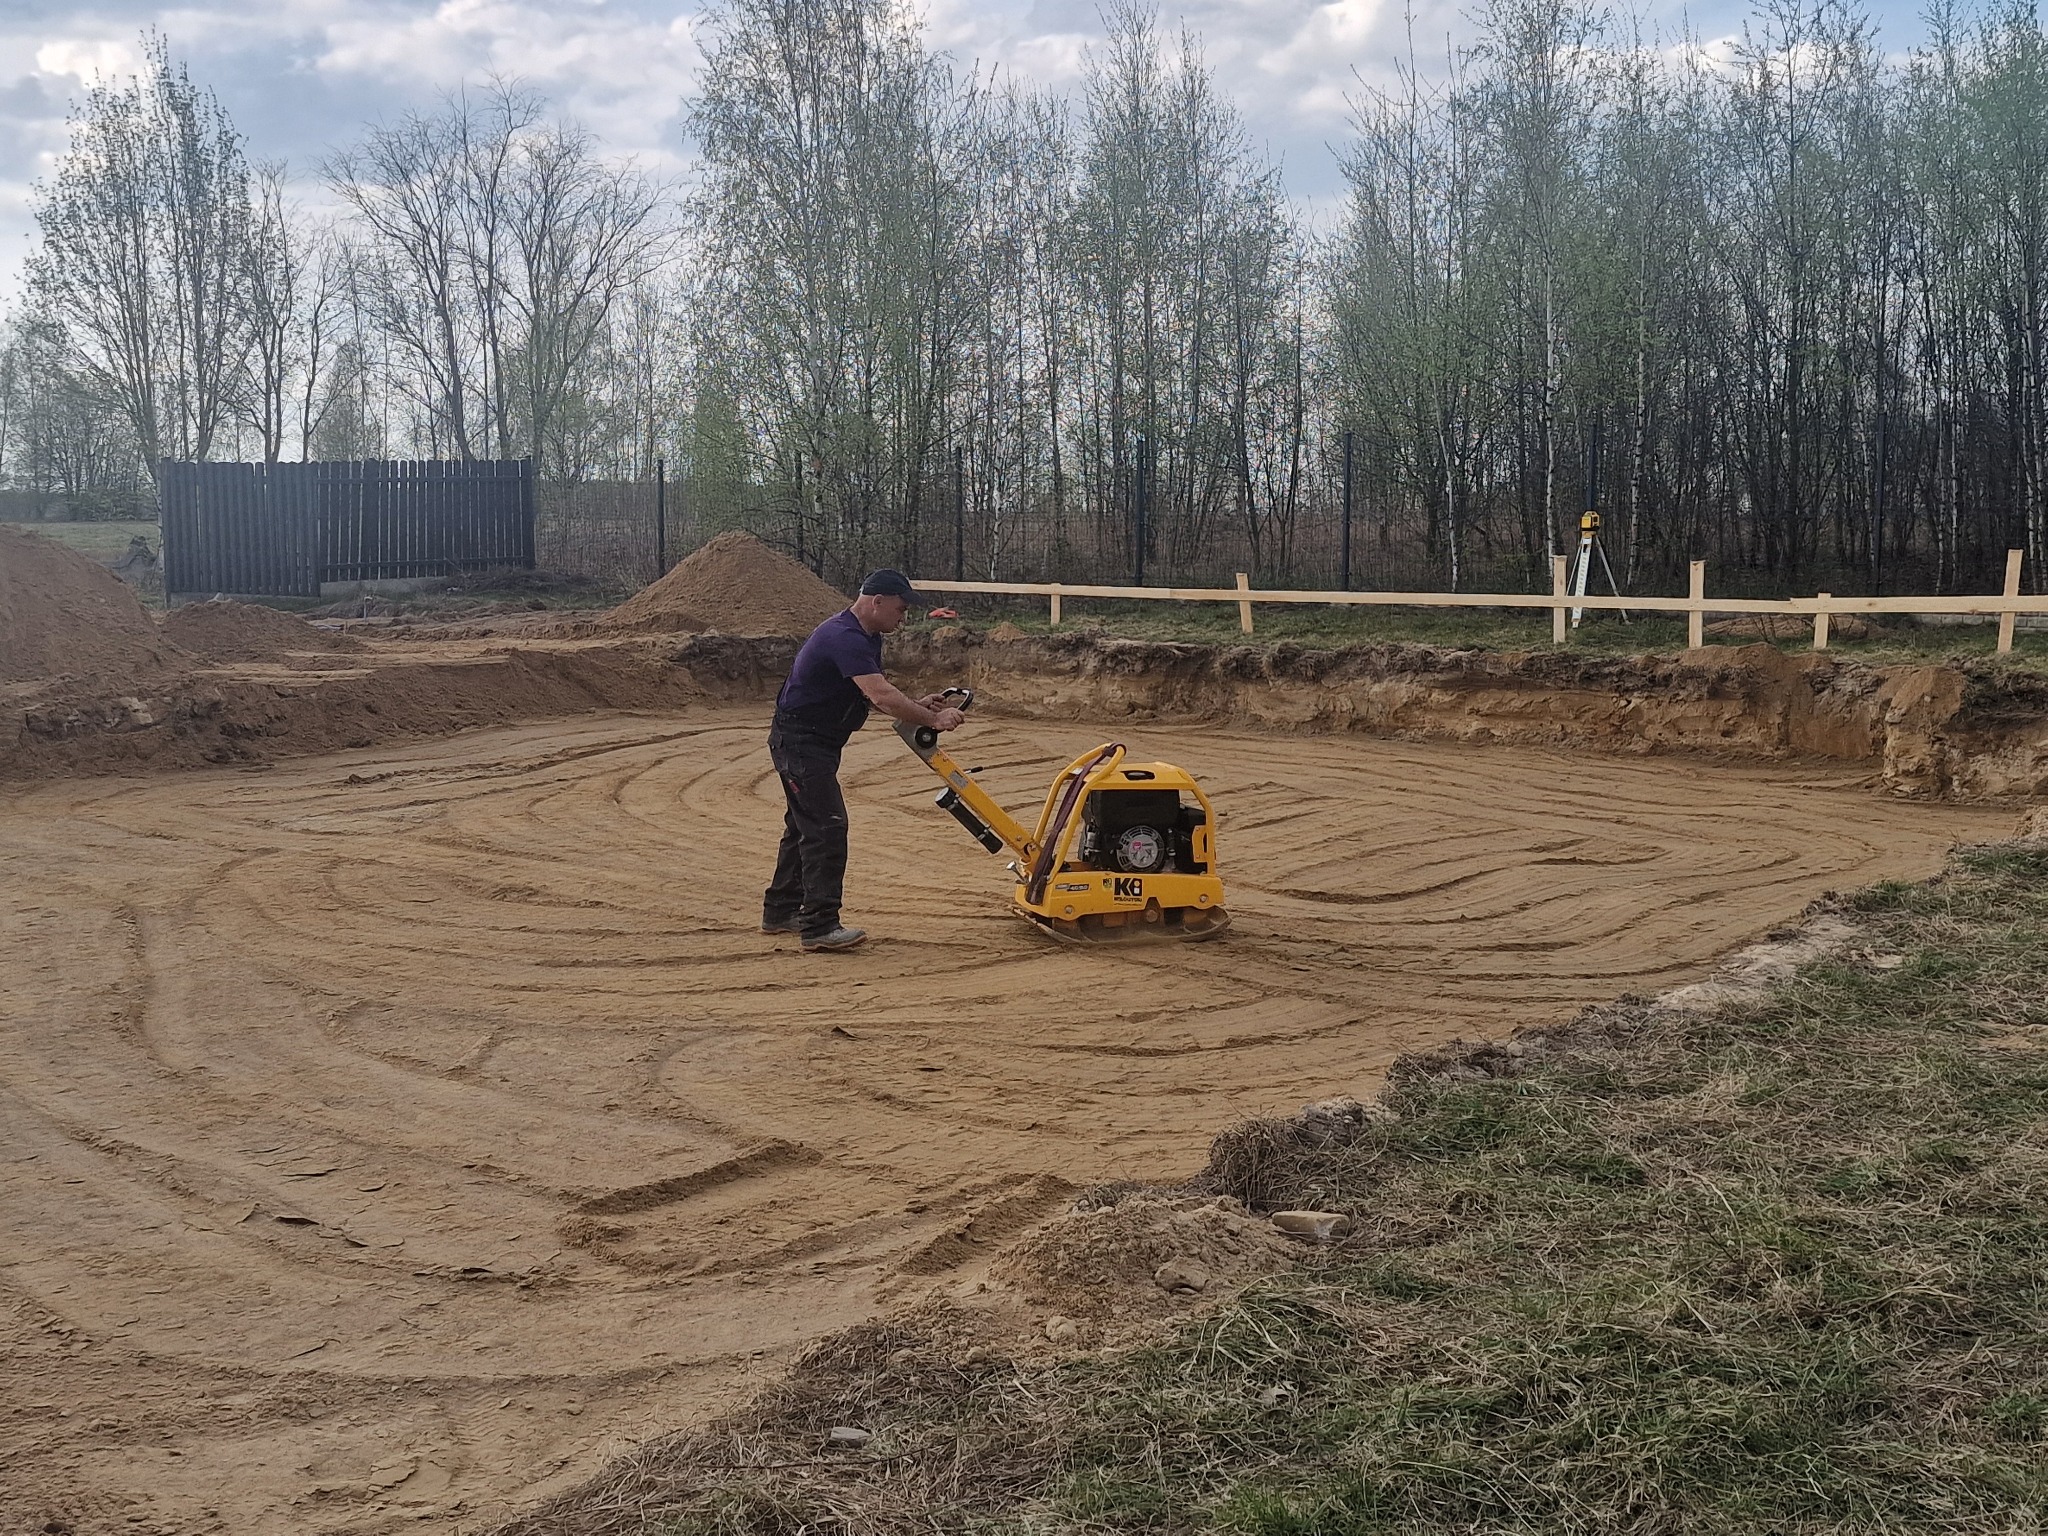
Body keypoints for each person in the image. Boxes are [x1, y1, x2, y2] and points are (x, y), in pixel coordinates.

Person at [762, 570, 966, 951]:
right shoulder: (845, 637)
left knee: (804, 825)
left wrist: (916, 708)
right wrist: (934, 719)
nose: (903, 617)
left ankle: (780, 911)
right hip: (801, 742)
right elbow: (883, 695)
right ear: (877, 601)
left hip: (812, 742)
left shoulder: (865, 635)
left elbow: (870, 694)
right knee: (826, 826)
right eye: (901, 608)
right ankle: (819, 927)